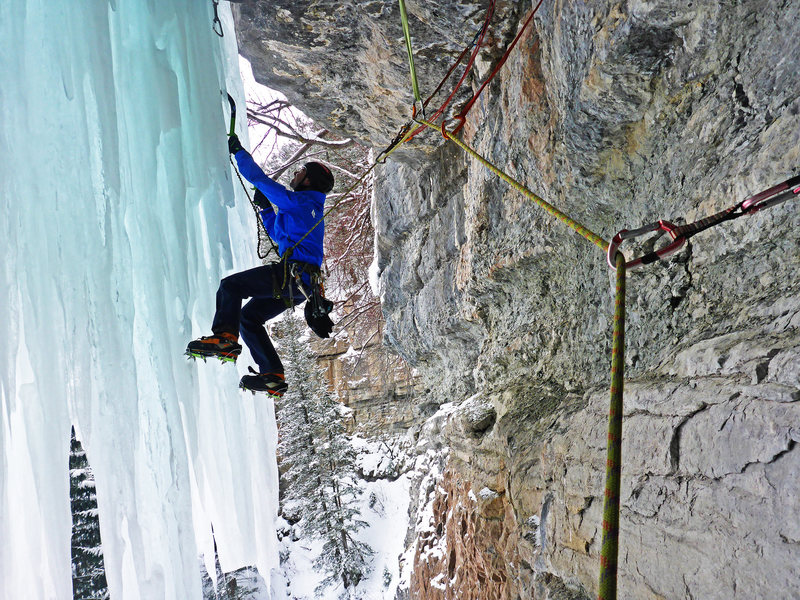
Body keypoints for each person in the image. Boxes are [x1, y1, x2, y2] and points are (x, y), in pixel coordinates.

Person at [186, 133, 335, 396]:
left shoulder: (301, 201)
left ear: (309, 180)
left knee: (231, 287)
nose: (296, 173)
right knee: (248, 317)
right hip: (301, 285)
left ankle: (224, 337)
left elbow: (259, 179)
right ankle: (272, 374)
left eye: (300, 171)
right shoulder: (306, 208)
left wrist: (238, 152)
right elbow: (279, 238)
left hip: (292, 276)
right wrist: (267, 211)